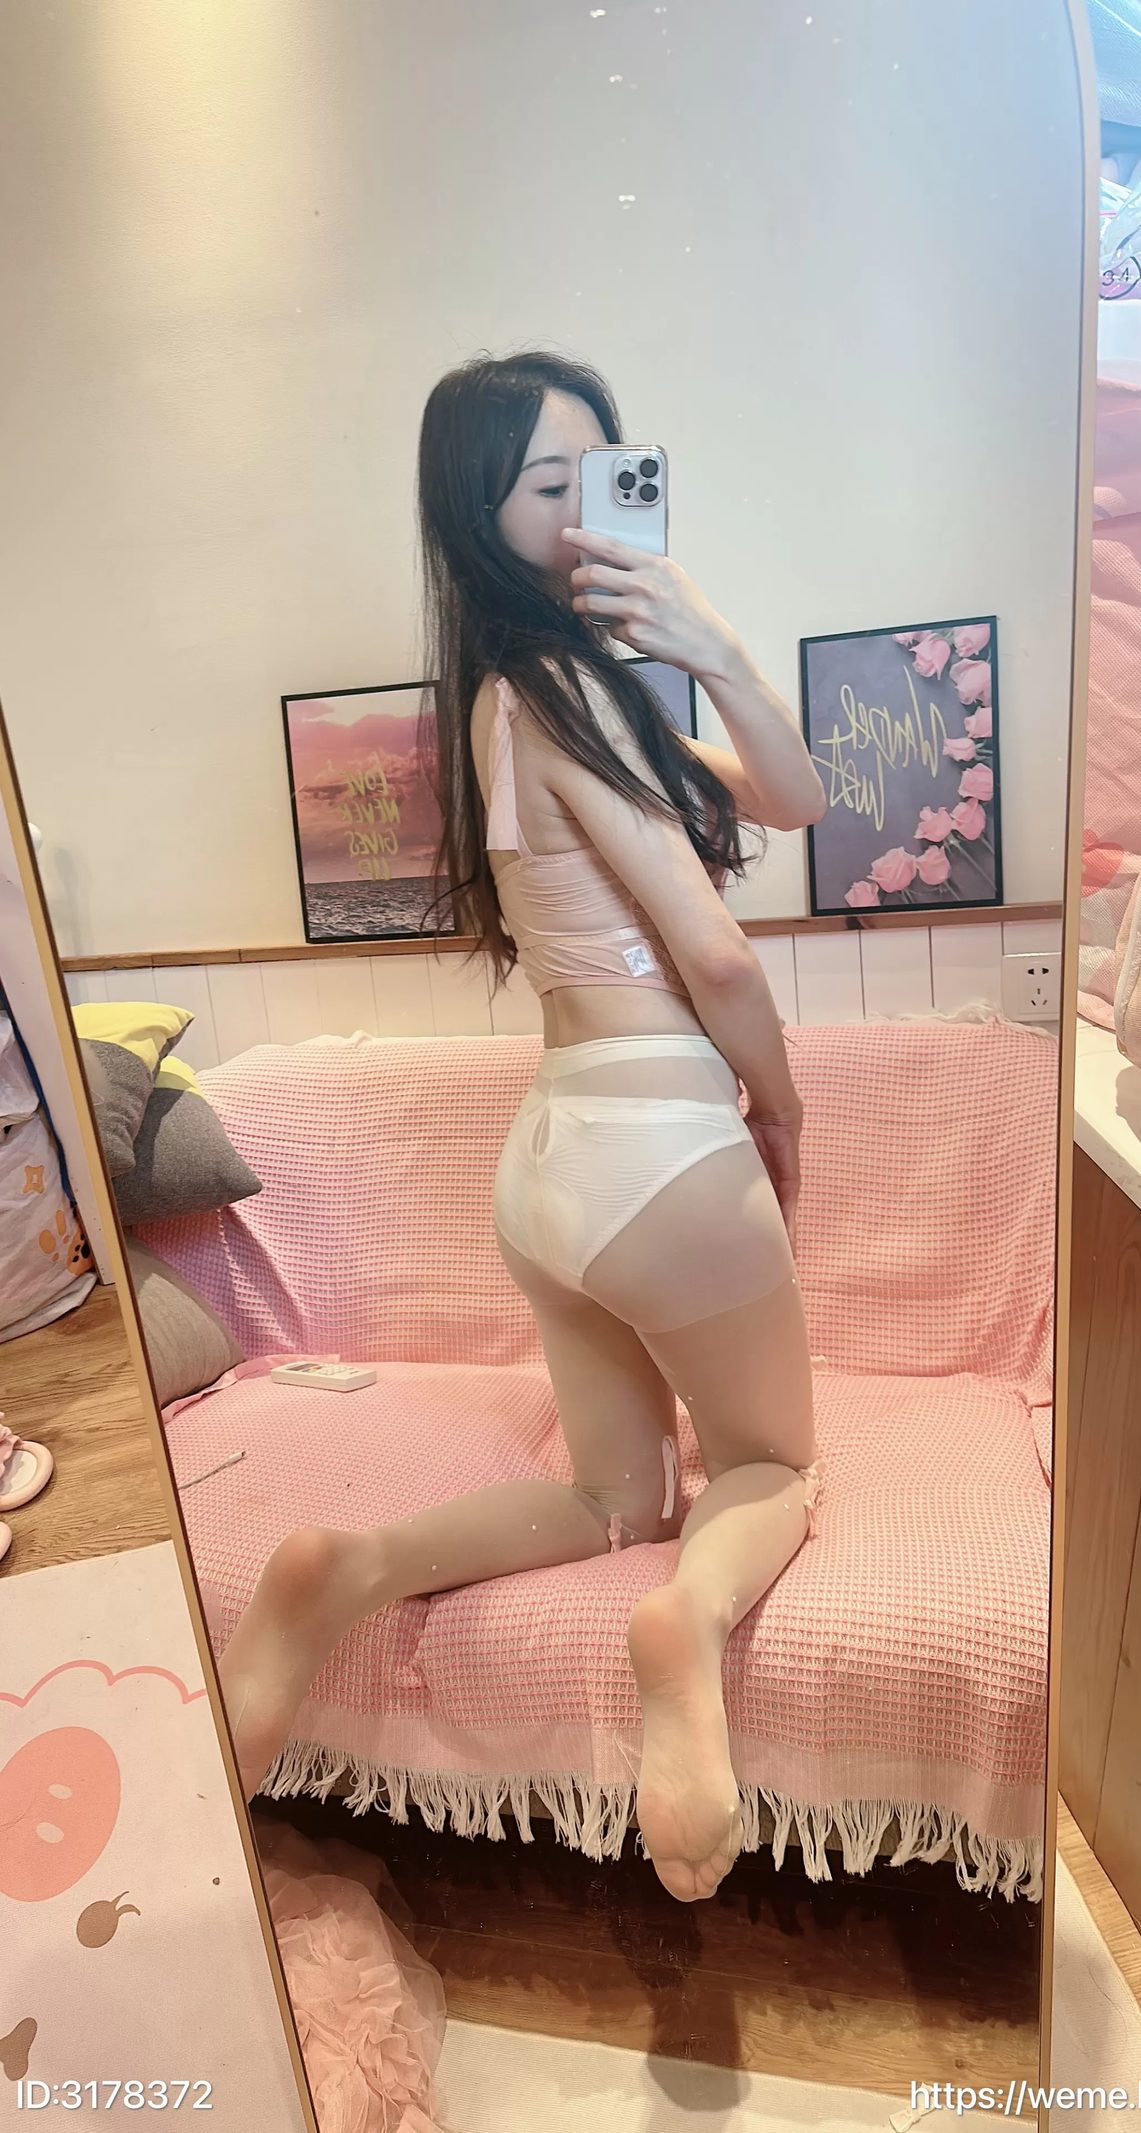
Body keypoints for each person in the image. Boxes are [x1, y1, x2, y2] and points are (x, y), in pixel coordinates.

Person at [218, 351, 828, 1903]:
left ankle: (351, 1567)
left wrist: (708, 643)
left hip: (551, 1160)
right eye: (547, 485)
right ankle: (685, 1624)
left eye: (602, 474)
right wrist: (781, 1106)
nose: (582, 511)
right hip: (660, 1148)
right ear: (479, 517)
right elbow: (716, 957)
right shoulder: (571, 691)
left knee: (617, 1496)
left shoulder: (516, 698)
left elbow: (798, 794)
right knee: (772, 1462)